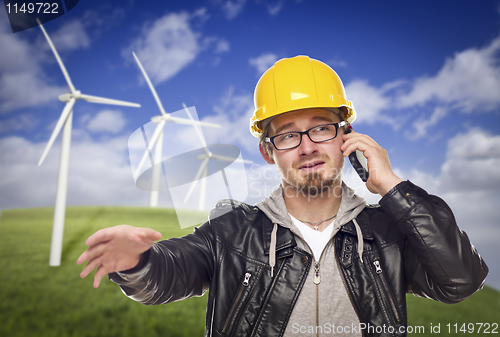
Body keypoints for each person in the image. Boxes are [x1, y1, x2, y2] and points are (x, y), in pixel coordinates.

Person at [77, 55, 488, 337]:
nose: (307, 146)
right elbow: (167, 275)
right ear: (267, 151)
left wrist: (394, 188)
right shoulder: (232, 233)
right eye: (289, 134)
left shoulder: (387, 232)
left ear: (346, 136)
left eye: (321, 127)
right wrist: (137, 262)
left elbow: (460, 281)